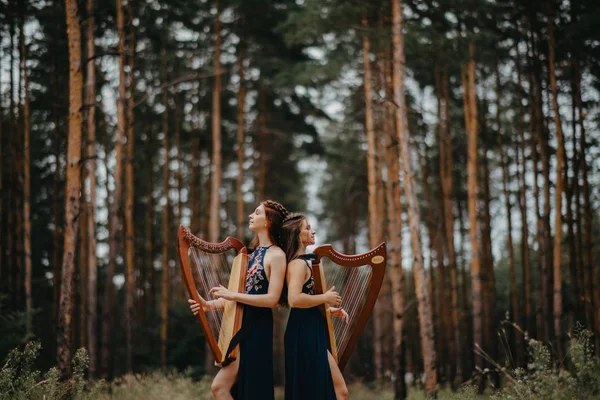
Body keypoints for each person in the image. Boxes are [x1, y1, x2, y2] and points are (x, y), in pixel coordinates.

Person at [189, 200, 288, 400]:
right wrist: (208, 305)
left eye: (257, 212)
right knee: (224, 388)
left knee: (236, 387)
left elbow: (271, 299)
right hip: (239, 324)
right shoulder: (248, 255)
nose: (251, 215)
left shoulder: (277, 255)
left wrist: (232, 294)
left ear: (268, 221)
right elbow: (239, 297)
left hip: (257, 326)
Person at [281, 213, 349, 400]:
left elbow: (304, 300)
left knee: (333, 391)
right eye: (308, 228)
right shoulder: (297, 264)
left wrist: (328, 310)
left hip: (309, 327)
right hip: (304, 332)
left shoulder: (304, 263)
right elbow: (295, 300)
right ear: (297, 234)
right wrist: (324, 297)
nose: (313, 231)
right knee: (337, 392)